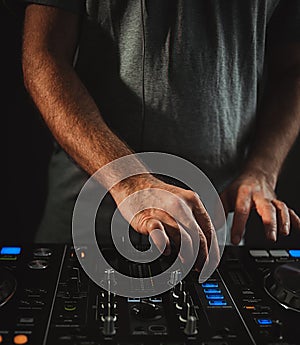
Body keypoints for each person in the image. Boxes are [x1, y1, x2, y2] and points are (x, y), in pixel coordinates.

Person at [20, 0, 300, 270]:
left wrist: (262, 170)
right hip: (87, 217)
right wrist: (129, 181)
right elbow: (43, 54)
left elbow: (292, 70)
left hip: (211, 229)